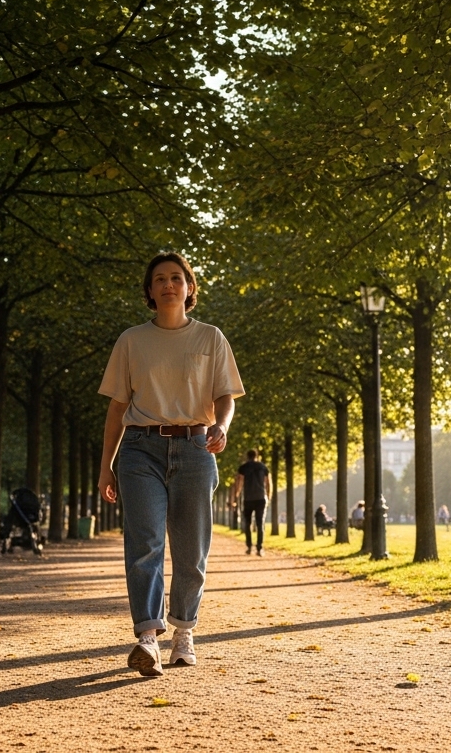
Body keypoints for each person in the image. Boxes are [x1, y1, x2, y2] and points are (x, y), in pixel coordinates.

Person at [98, 251, 244, 677]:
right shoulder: (131, 340)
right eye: (159, 279)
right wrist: (106, 466)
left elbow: (226, 396)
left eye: (176, 278)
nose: (168, 285)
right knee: (144, 543)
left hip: (196, 448)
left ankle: (183, 631)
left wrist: (222, 426)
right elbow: (116, 409)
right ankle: (147, 637)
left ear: (189, 287)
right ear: (149, 290)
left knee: (191, 551)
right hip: (140, 449)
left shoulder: (210, 338)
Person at [232, 449, 271, 556]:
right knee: (260, 524)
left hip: (248, 499)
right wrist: (268, 496)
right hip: (260, 499)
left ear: (247, 456)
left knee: (247, 523)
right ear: (256, 456)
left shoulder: (243, 468)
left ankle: (249, 547)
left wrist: (235, 497)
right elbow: (268, 483)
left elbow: (238, 483)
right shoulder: (263, 467)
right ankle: (260, 548)